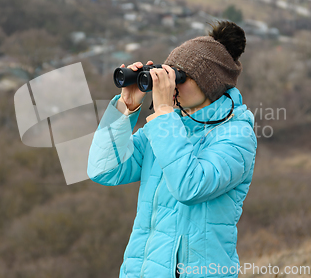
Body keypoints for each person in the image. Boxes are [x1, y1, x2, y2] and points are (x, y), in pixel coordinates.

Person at [87, 20, 257, 278]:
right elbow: (104, 170)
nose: (171, 86)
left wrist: (165, 114)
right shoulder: (167, 127)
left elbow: (190, 186)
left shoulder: (236, 135)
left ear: (210, 83)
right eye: (167, 75)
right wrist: (125, 108)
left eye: (180, 77)